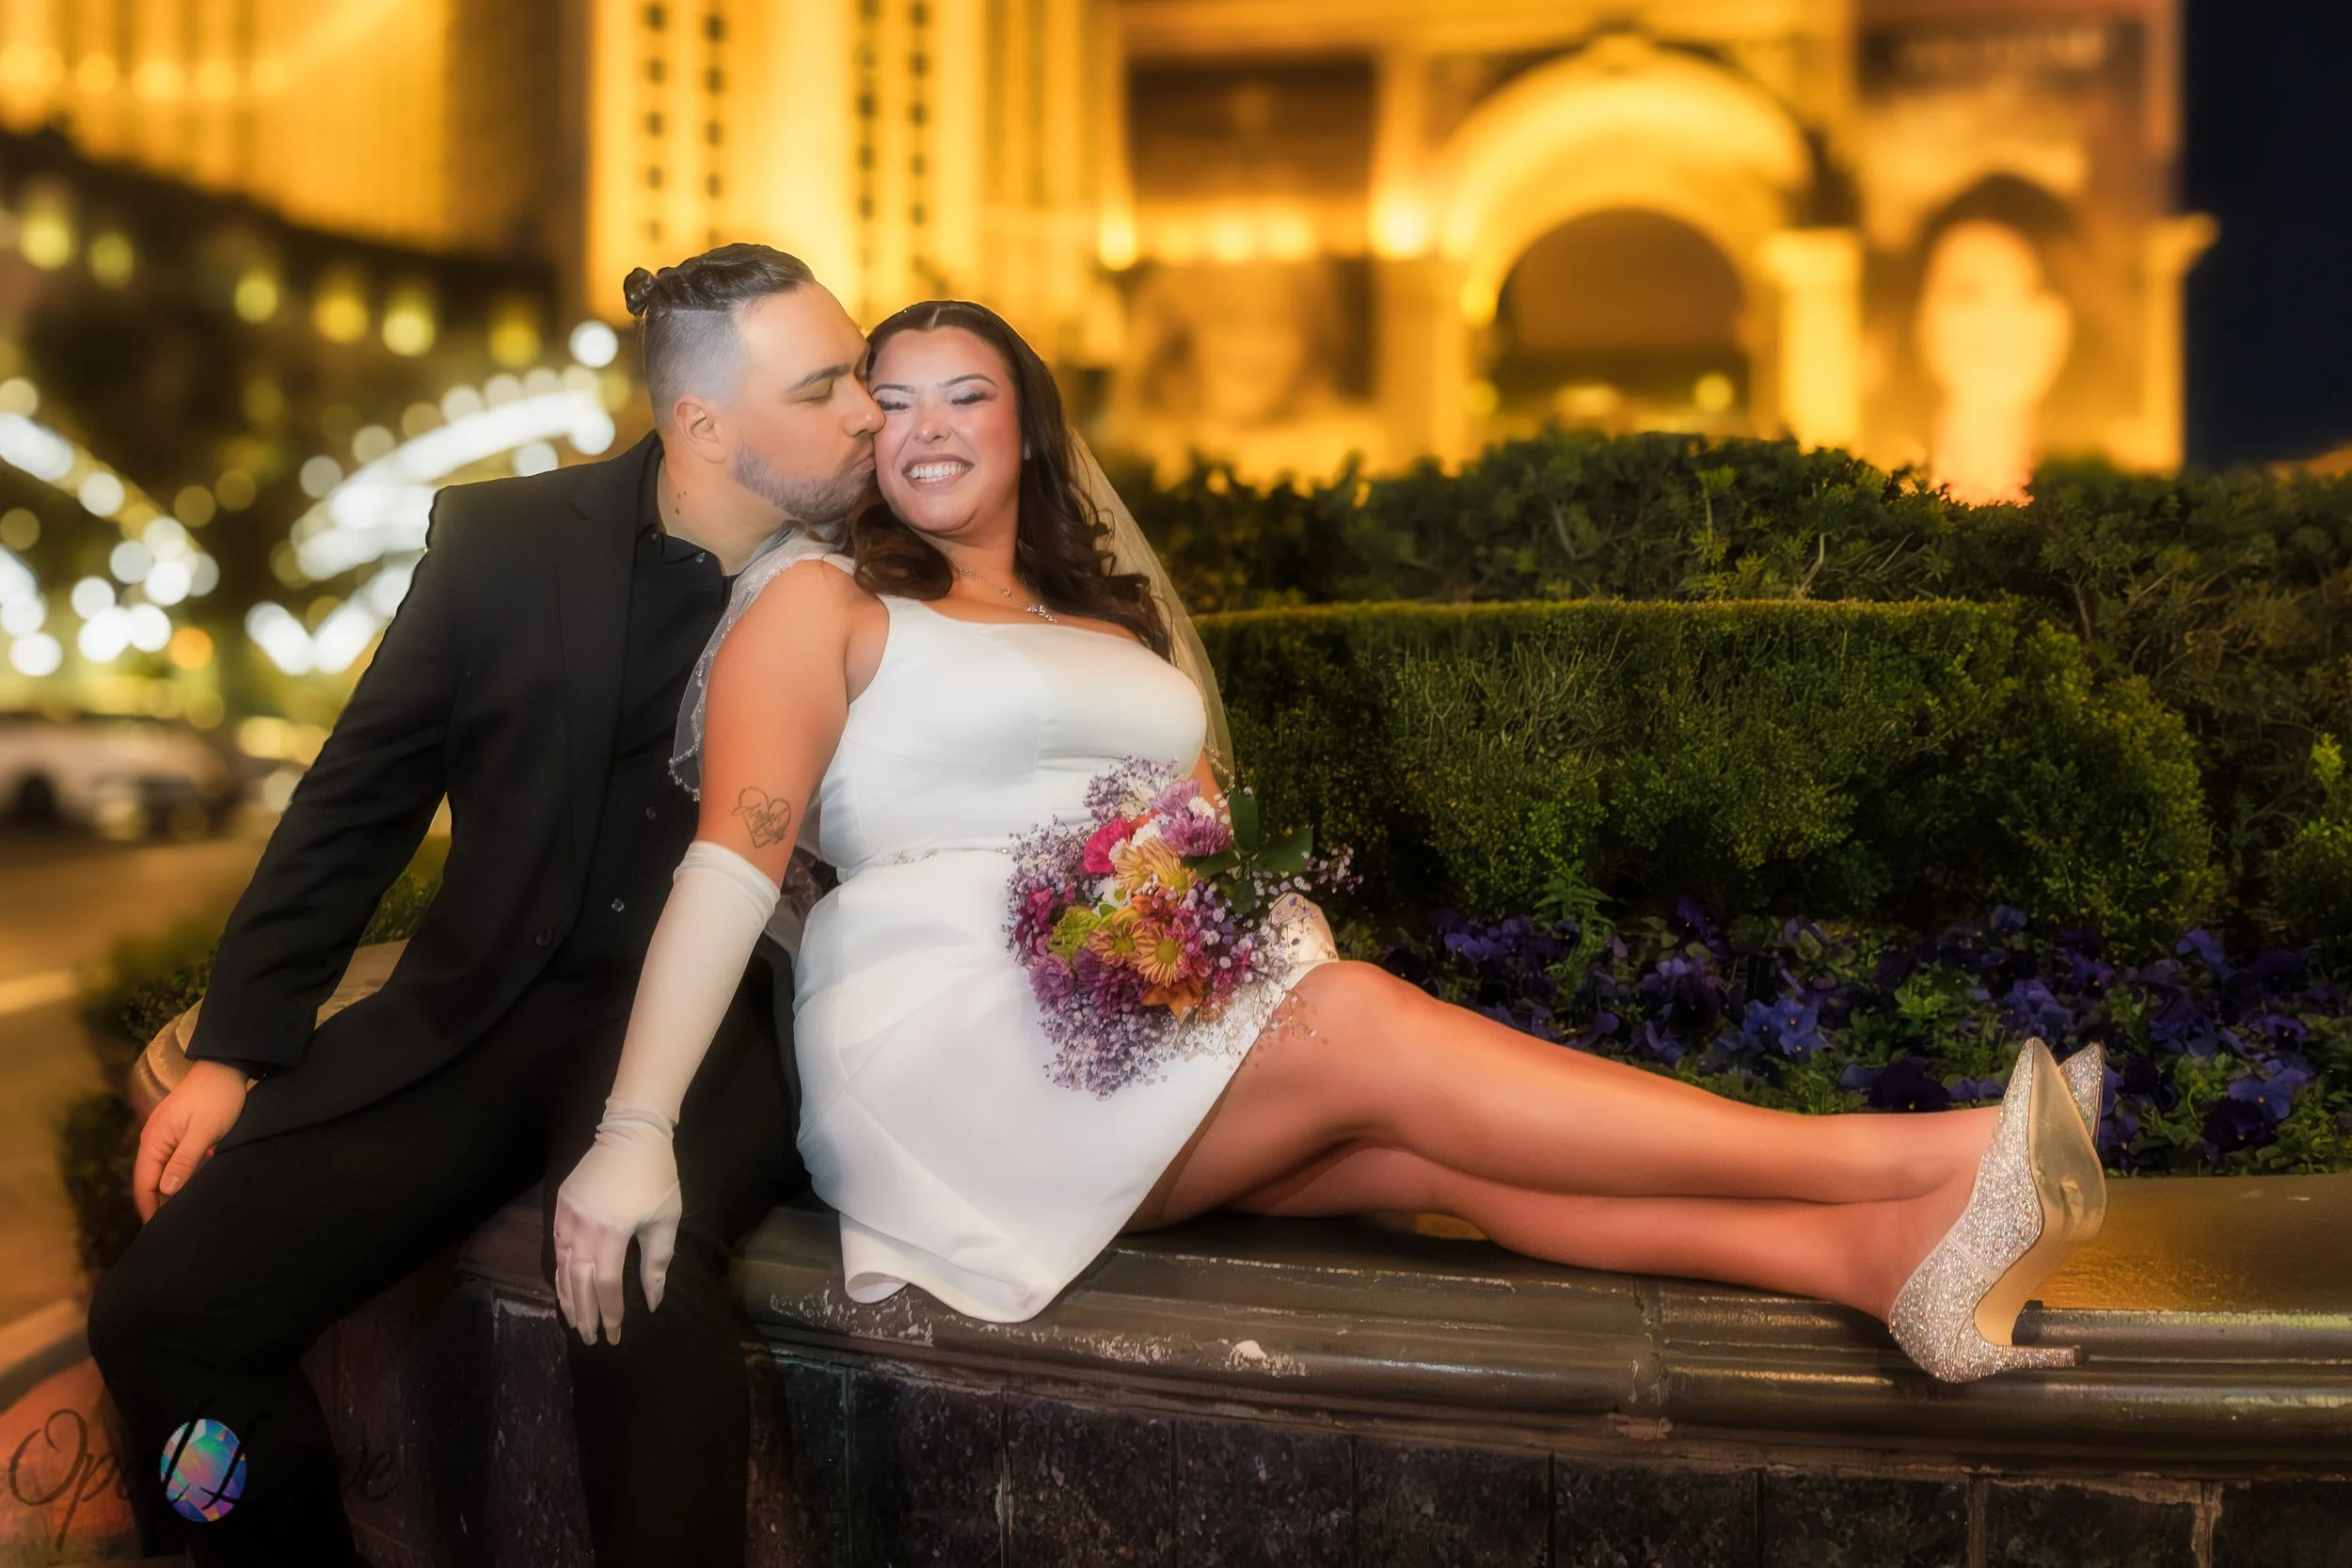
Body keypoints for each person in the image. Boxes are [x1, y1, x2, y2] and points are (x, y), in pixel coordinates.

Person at [553, 299, 2109, 1388]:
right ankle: (1922, 1152)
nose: (921, 425)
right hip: (941, 1043)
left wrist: (1225, 923)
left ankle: (1883, 1265)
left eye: (962, 392)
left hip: (1126, 1000)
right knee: (1365, 1029)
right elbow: (732, 863)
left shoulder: (1105, 617)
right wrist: (634, 1130)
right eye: (886, 402)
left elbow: (1192, 822)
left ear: (1026, 427)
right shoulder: (827, 605)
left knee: (1412, 1153)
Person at [87, 244, 880, 1567]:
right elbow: (357, 799)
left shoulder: (881, 575)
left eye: (858, 373)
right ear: (700, 422)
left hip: (717, 1017)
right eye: (824, 386)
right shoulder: (502, 543)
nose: (867, 409)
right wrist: (236, 1044)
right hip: (480, 1010)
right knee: (159, 1318)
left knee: (635, 1274)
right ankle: (254, 1535)